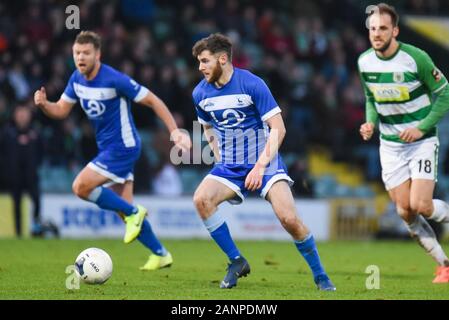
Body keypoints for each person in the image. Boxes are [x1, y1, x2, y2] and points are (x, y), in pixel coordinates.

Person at [34, 31, 191, 270]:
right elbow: (61, 110)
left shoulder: (115, 79)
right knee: (123, 213)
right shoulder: (76, 79)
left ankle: (134, 212)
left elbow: (153, 100)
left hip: (124, 147)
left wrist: (174, 131)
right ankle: (160, 253)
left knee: (81, 187)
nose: (81, 57)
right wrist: (45, 105)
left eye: (86, 53)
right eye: (77, 53)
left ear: (98, 54)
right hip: (108, 149)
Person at [191, 33, 335, 290]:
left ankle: (320, 275)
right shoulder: (200, 93)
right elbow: (207, 128)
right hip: (231, 165)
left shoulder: (252, 84)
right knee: (201, 200)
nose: (200, 67)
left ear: (222, 58)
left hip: (265, 162)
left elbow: (278, 127)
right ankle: (236, 260)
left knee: (289, 219)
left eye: (204, 61)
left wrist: (259, 167)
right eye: (199, 62)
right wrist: (219, 156)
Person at [359, 3, 449, 283]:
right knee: (404, 210)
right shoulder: (364, 62)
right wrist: (370, 122)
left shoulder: (415, 58)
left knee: (421, 204)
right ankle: (444, 264)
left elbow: (444, 94)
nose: (377, 33)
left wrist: (421, 128)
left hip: (421, 142)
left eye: (383, 28)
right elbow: (371, 98)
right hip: (390, 145)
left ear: (395, 30)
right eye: (373, 28)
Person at [3, 105, 42, 237]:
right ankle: (18, 233)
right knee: (16, 204)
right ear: (15, 115)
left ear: (29, 115)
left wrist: (35, 165)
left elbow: (41, 152)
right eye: (19, 113)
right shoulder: (8, 133)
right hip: (14, 176)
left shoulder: (35, 133)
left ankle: (36, 229)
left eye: (24, 113)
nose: (22, 116)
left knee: (36, 201)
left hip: (31, 175)